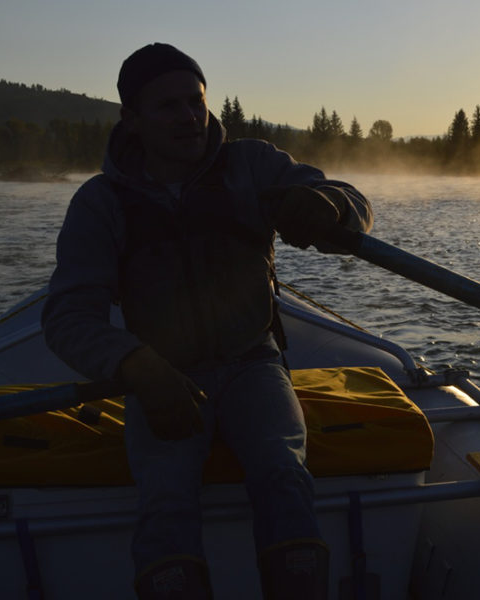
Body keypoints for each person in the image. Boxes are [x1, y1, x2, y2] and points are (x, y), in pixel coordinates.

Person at [41, 43, 373, 599]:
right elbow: (68, 315)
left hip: (254, 363)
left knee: (283, 475)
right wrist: (134, 363)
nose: (190, 118)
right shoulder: (101, 203)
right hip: (162, 376)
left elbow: (349, 197)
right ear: (132, 119)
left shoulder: (251, 166)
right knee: (164, 501)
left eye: (196, 102)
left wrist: (330, 207)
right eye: (168, 106)